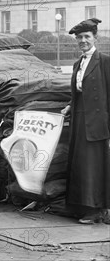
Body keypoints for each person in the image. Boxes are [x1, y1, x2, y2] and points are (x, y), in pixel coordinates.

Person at [62, 18, 110, 225]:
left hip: (98, 121)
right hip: (80, 118)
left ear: (95, 38)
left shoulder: (105, 61)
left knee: (94, 166)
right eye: (79, 37)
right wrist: (70, 106)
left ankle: (96, 210)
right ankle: (80, 206)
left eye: (86, 37)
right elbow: (80, 93)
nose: (83, 40)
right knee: (80, 164)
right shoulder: (77, 64)